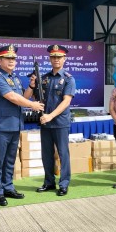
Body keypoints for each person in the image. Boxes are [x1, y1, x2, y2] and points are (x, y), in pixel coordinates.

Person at [0, 45, 44, 206]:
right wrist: (32, 105)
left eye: (13, 59)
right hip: (1, 126)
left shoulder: (15, 78)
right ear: (0, 61)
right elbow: (12, 97)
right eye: (8, 58)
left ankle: (8, 187)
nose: (12, 61)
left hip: (15, 125)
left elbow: (22, 96)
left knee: (10, 160)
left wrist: (32, 86)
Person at [35, 45, 76, 196]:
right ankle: (49, 182)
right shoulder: (44, 78)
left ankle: (64, 184)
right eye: (53, 57)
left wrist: (50, 116)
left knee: (63, 154)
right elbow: (37, 98)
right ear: (50, 59)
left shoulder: (68, 79)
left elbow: (66, 101)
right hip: (45, 122)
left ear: (64, 59)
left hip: (60, 122)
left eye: (59, 57)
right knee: (46, 154)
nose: (56, 59)